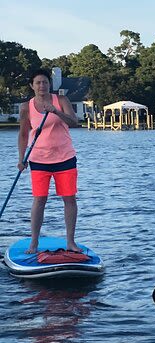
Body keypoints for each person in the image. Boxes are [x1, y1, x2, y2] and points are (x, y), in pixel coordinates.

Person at [17, 68, 80, 254]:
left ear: (49, 84)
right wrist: (21, 159)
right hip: (39, 159)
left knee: (69, 198)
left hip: (65, 157)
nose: (42, 85)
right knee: (39, 199)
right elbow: (22, 135)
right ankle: (33, 243)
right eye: (38, 82)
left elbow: (74, 122)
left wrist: (56, 112)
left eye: (45, 82)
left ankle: (70, 242)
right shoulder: (25, 107)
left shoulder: (60, 100)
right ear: (32, 86)